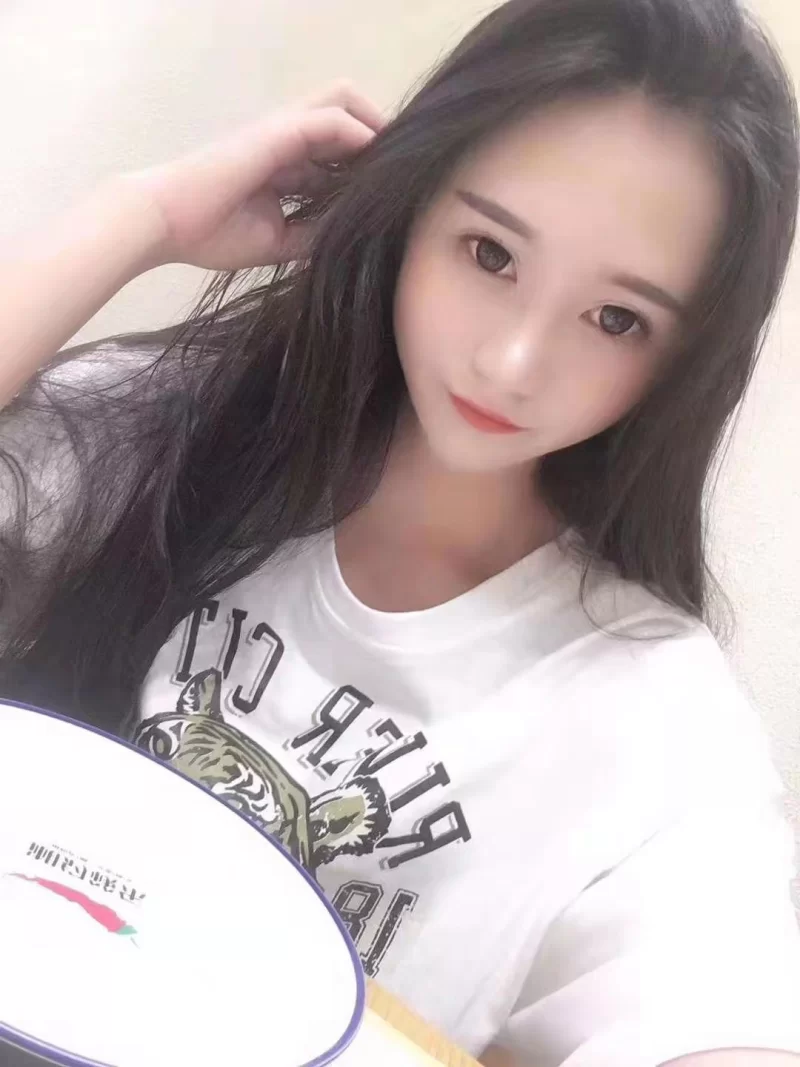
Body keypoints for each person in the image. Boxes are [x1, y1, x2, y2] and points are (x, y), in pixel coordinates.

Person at [1, 0, 800, 1063]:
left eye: (617, 319)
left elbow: (721, 1008)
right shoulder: (165, 435)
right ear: (412, 206)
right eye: (489, 252)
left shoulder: (648, 718)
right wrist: (139, 214)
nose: (511, 361)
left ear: (682, 362)